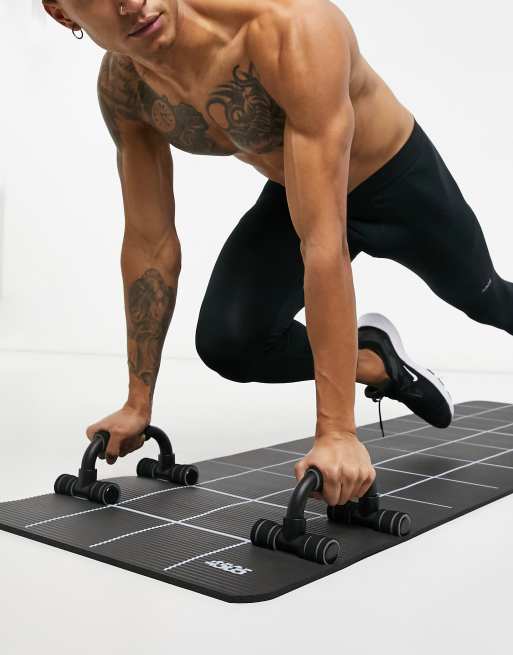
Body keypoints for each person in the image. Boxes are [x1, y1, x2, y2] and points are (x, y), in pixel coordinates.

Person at [42, 0, 512, 508]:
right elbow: (148, 242)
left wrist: (338, 432)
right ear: (63, 13)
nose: (133, 3)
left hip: (396, 183)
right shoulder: (125, 88)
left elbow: (323, 242)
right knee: (230, 342)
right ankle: (375, 361)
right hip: (299, 188)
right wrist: (137, 404)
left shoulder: (289, 28)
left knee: (486, 300)